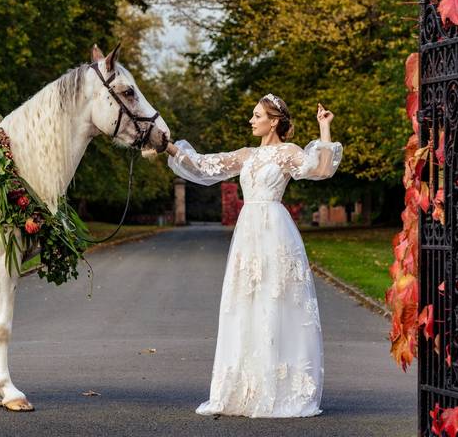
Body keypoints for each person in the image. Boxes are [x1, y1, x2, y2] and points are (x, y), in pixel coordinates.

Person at [146, 95, 342, 417]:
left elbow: (320, 169)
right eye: (252, 116)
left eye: (256, 115)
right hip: (248, 235)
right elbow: (202, 164)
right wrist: (166, 145)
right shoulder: (246, 155)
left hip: (275, 233)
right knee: (245, 304)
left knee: (275, 304)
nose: (251, 121)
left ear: (273, 121)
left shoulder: (288, 153)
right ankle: (245, 388)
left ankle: (277, 390)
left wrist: (324, 129)